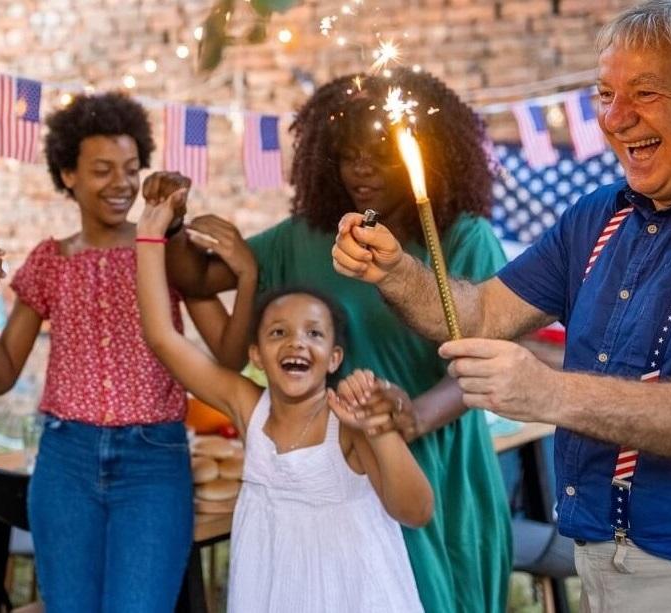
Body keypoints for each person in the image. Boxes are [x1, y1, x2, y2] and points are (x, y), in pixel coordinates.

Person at [332, 1, 671, 611]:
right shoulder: (598, 216)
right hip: (606, 564)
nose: (617, 119)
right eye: (605, 93)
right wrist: (398, 272)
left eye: (646, 93)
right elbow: (479, 315)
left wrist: (550, 393)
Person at [146, 68, 514, 612]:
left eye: (379, 153)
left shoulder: (461, 238)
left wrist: (412, 415)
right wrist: (170, 226)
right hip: (335, 459)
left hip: (432, 450)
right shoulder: (305, 236)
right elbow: (197, 279)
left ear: (423, 155)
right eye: (346, 153)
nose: (360, 168)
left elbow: (492, 354)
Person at [0, 92, 249, 612]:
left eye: (131, 169)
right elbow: (0, 376)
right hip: (65, 461)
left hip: (153, 460)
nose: (121, 184)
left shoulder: (163, 248)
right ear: (67, 174)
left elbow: (230, 357)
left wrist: (247, 274)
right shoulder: (49, 261)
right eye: (101, 170)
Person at [135, 193, 432, 611]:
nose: (296, 341)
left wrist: (379, 431)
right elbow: (163, 339)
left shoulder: (346, 421)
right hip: (269, 591)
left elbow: (416, 510)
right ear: (255, 355)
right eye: (278, 332)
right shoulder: (247, 407)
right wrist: (149, 239)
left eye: (314, 333)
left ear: (334, 358)